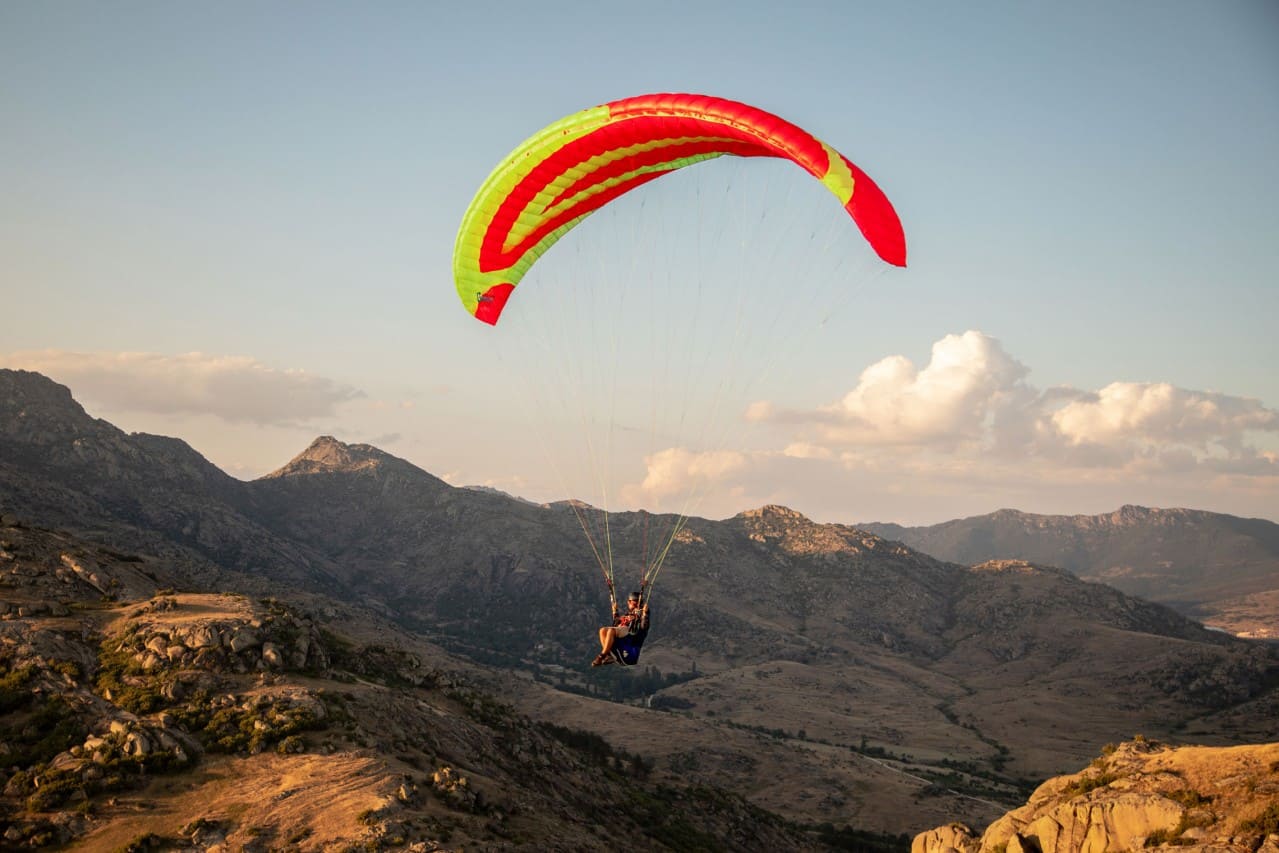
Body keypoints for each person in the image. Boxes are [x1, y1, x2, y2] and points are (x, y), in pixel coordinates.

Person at [591, 591, 649, 667]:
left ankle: (602, 656)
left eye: (637, 603)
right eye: (634, 603)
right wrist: (615, 613)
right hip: (622, 645)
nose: (635, 605)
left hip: (630, 652)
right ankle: (609, 654)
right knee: (603, 630)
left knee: (612, 630)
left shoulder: (641, 615)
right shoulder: (628, 616)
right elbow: (617, 625)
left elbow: (644, 626)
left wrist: (645, 614)